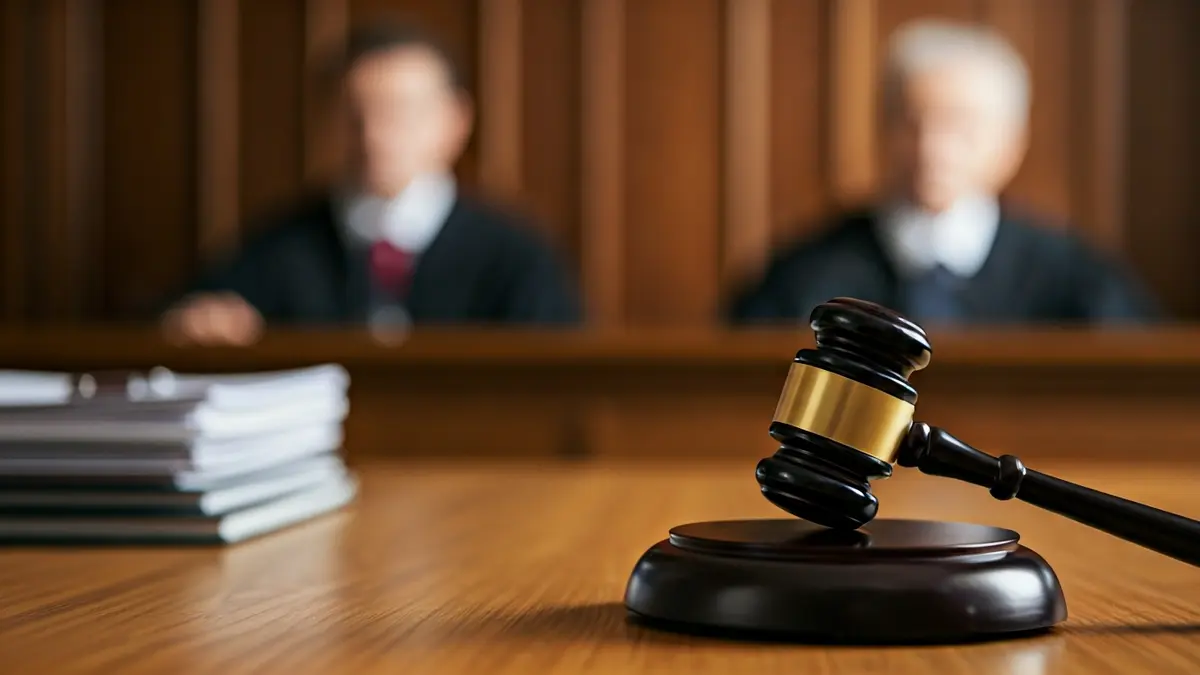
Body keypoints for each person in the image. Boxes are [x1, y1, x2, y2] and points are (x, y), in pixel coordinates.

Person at [162, 20, 582, 345]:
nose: (373, 134)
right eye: (354, 115)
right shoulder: (276, 248)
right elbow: (175, 324)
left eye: (399, 111)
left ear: (456, 121)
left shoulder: (518, 256)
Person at [729, 19, 1160, 326]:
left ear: (1012, 142)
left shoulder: (1079, 281)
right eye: (910, 123)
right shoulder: (804, 276)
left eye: (961, 125)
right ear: (880, 127)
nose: (931, 147)